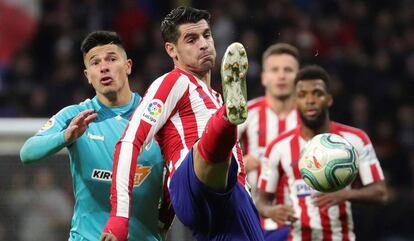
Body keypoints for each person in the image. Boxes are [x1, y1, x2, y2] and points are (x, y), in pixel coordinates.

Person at [101, 6, 264, 241]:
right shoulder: (173, 82)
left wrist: (162, 222)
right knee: (215, 151)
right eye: (191, 39)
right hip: (196, 182)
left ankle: (226, 121)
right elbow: (129, 141)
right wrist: (119, 216)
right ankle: (227, 120)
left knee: (227, 169)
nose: (204, 44)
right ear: (172, 50)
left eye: (206, 35)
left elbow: (166, 162)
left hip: (235, 206)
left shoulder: (216, 97)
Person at [20, 30, 169, 241]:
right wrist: (65, 137)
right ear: (88, 75)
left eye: (111, 59)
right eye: (95, 62)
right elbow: (27, 152)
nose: (104, 67)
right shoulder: (77, 117)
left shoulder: (156, 116)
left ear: (128, 66)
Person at [256, 65, 388, 241]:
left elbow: (380, 193)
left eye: (317, 93)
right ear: (295, 102)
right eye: (303, 95)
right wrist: (271, 210)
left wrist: (347, 194)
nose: (310, 100)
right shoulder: (278, 147)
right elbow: (260, 201)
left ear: (329, 99)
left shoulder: (355, 139)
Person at [238, 43, 300, 240]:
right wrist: (238, 164)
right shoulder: (245, 114)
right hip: (253, 222)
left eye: (288, 70)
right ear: (264, 77)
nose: (281, 76)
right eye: (275, 70)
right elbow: (216, 155)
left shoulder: (311, 119)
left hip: (299, 223)